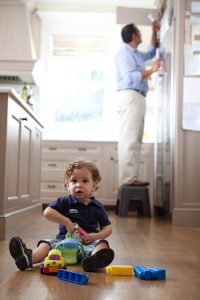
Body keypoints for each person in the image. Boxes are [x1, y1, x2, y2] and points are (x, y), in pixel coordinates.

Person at [9, 160, 114, 272]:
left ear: (93, 186)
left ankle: (93, 261)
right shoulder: (64, 202)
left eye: (85, 181)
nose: (78, 185)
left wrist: (97, 236)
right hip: (63, 244)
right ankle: (28, 258)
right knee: (46, 245)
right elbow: (47, 212)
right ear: (67, 185)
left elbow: (108, 227)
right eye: (74, 181)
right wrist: (67, 222)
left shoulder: (97, 206)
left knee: (102, 245)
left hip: (88, 246)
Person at [115, 21, 160, 187]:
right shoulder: (124, 54)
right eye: (139, 32)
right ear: (134, 35)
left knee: (135, 138)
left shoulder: (135, 54)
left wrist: (154, 31)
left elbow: (150, 52)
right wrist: (152, 70)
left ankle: (130, 178)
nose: (141, 34)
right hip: (130, 96)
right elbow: (130, 78)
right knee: (130, 138)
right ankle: (128, 179)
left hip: (137, 97)